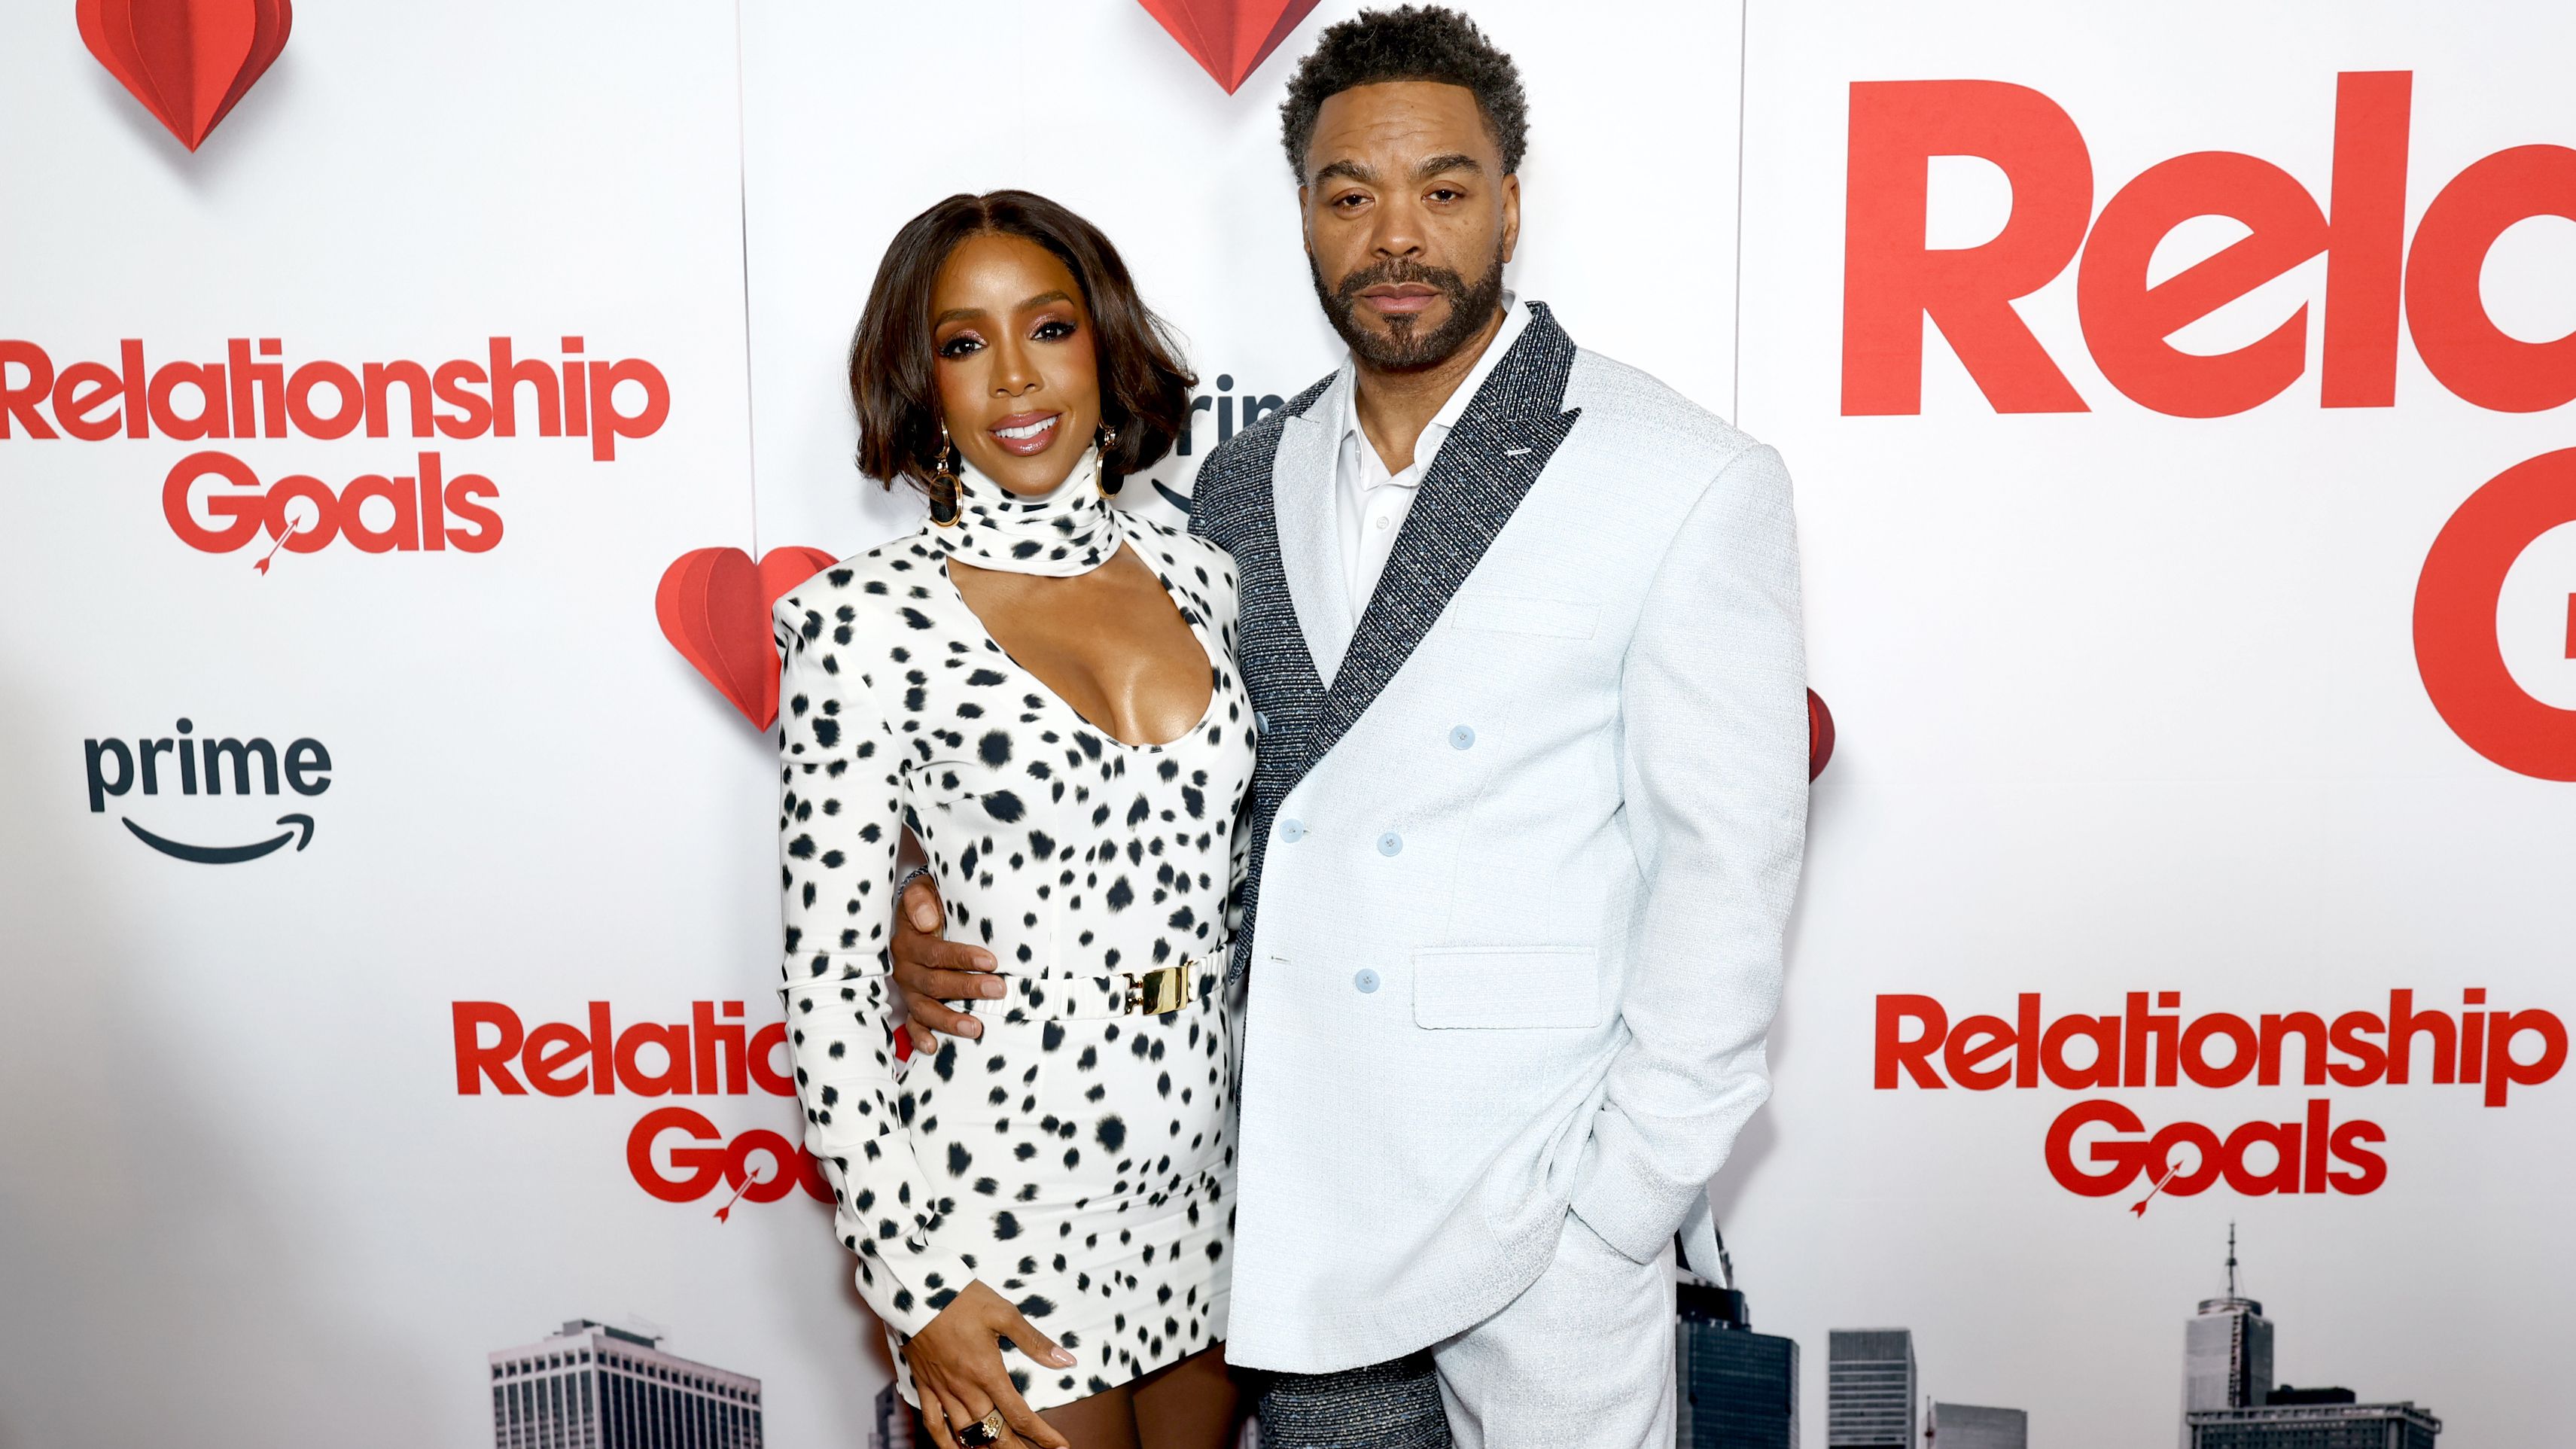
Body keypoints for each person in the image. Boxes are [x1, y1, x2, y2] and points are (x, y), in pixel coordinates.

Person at [891, 8, 1810, 1447]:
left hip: (1539, 1202)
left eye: (1442, 190)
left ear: (1510, 205)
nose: (1396, 236)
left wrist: (1625, 1199)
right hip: (1301, 1187)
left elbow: (1728, 870)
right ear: (1305, 217)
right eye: (1348, 195)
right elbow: (1168, 803)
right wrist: (934, 910)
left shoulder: (1678, 476)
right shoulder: (1238, 484)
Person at [772, 190, 1253, 1449]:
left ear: (1103, 343)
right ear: (922, 381)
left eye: (1047, 327)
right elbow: (827, 985)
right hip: (997, 1202)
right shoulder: (857, 624)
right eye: (963, 343)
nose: (1015, 379)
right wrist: (911, 1278)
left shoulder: (1206, 578)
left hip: (1211, 1190)